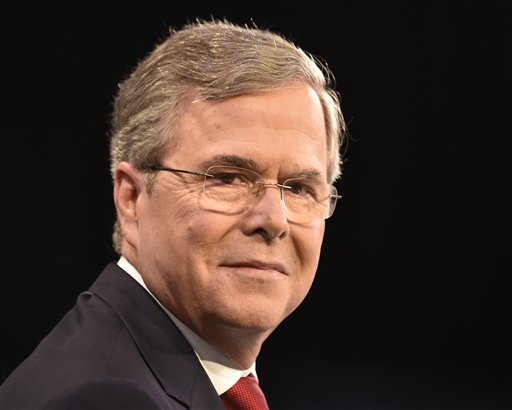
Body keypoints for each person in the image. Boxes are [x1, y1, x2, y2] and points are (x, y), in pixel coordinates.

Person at [0, 17, 346, 409]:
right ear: (131, 199)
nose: (273, 220)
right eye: (228, 178)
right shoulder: (107, 398)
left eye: (299, 188)